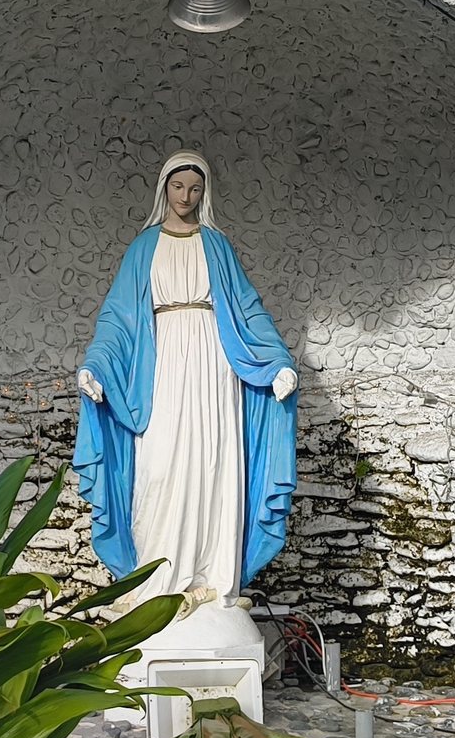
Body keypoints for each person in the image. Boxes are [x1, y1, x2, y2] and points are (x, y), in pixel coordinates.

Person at [73, 150, 297, 611]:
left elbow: (248, 309)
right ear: (164, 188)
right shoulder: (144, 248)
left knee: (213, 464)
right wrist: (95, 365)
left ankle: (212, 579)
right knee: (159, 468)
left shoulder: (217, 245)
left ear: (204, 192)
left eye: (195, 188)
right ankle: (154, 581)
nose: (186, 197)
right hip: (162, 368)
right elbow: (117, 319)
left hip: (215, 368)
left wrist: (278, 363)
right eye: (178, 187)